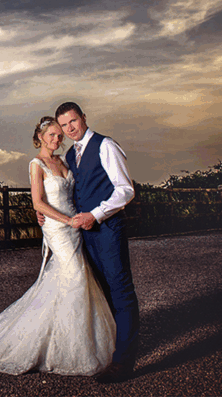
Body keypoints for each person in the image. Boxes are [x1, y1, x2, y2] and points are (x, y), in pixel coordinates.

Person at [0, 116, 115, 376]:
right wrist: (66, 220)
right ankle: (65, 347)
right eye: (51, 135)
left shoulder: (64, 161)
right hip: (58, 227)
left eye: (59, 135)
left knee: (75, 277)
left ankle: (67, 341)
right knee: (74, 275)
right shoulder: (36, 164)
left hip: (74, 226)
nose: (57, 139)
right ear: (39, 137)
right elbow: (38, 203)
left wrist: (77, 219)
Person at [52, 101, 140, 383]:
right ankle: (116, 348)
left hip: (108, 228)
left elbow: (125, 190)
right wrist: (45, 214)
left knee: (121, 292)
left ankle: (124, 363)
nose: (70, 128)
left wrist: (97, 214)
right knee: (103, 293)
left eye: (73, 121)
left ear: (84, 118)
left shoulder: (105, 145)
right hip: (86, 233)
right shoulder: (70, 154)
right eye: (64, 125)